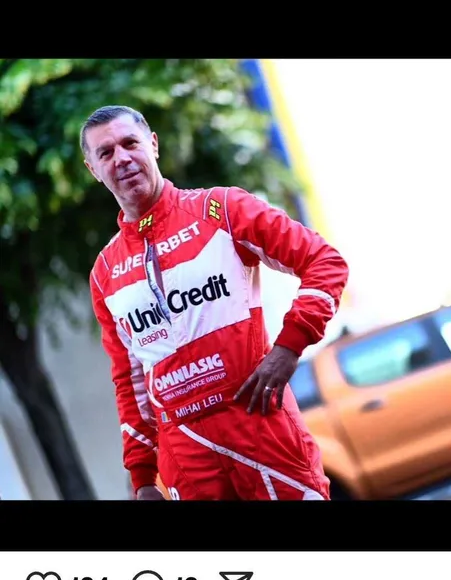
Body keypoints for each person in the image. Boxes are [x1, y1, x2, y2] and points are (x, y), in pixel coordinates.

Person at [83, 104, 349, 500]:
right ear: (93, 169)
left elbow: (325, 262)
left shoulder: (222, 209)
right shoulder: (105, 271)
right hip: (185, 455)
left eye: (130, 143)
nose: (121, 158)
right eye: (106, 152)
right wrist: (142, 477)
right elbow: (129, 380)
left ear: (153, 145)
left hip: (259, 426)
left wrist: (289, 347)